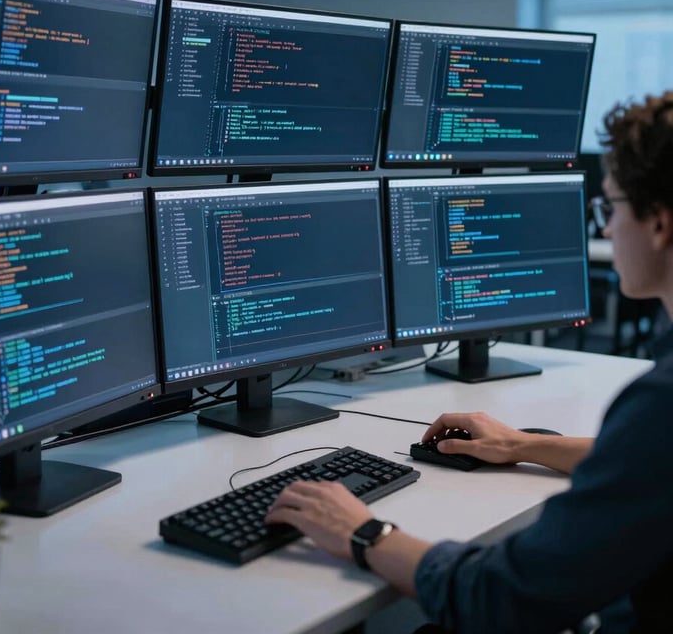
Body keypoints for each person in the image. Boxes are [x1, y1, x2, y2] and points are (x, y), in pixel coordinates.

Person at [266, 92, 673, 634]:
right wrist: (523, 444)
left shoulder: (661, 404)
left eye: (610, 207)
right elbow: (649, 468)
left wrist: (364, 533)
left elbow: (500, 595)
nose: (604, 228)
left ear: (659, 223)